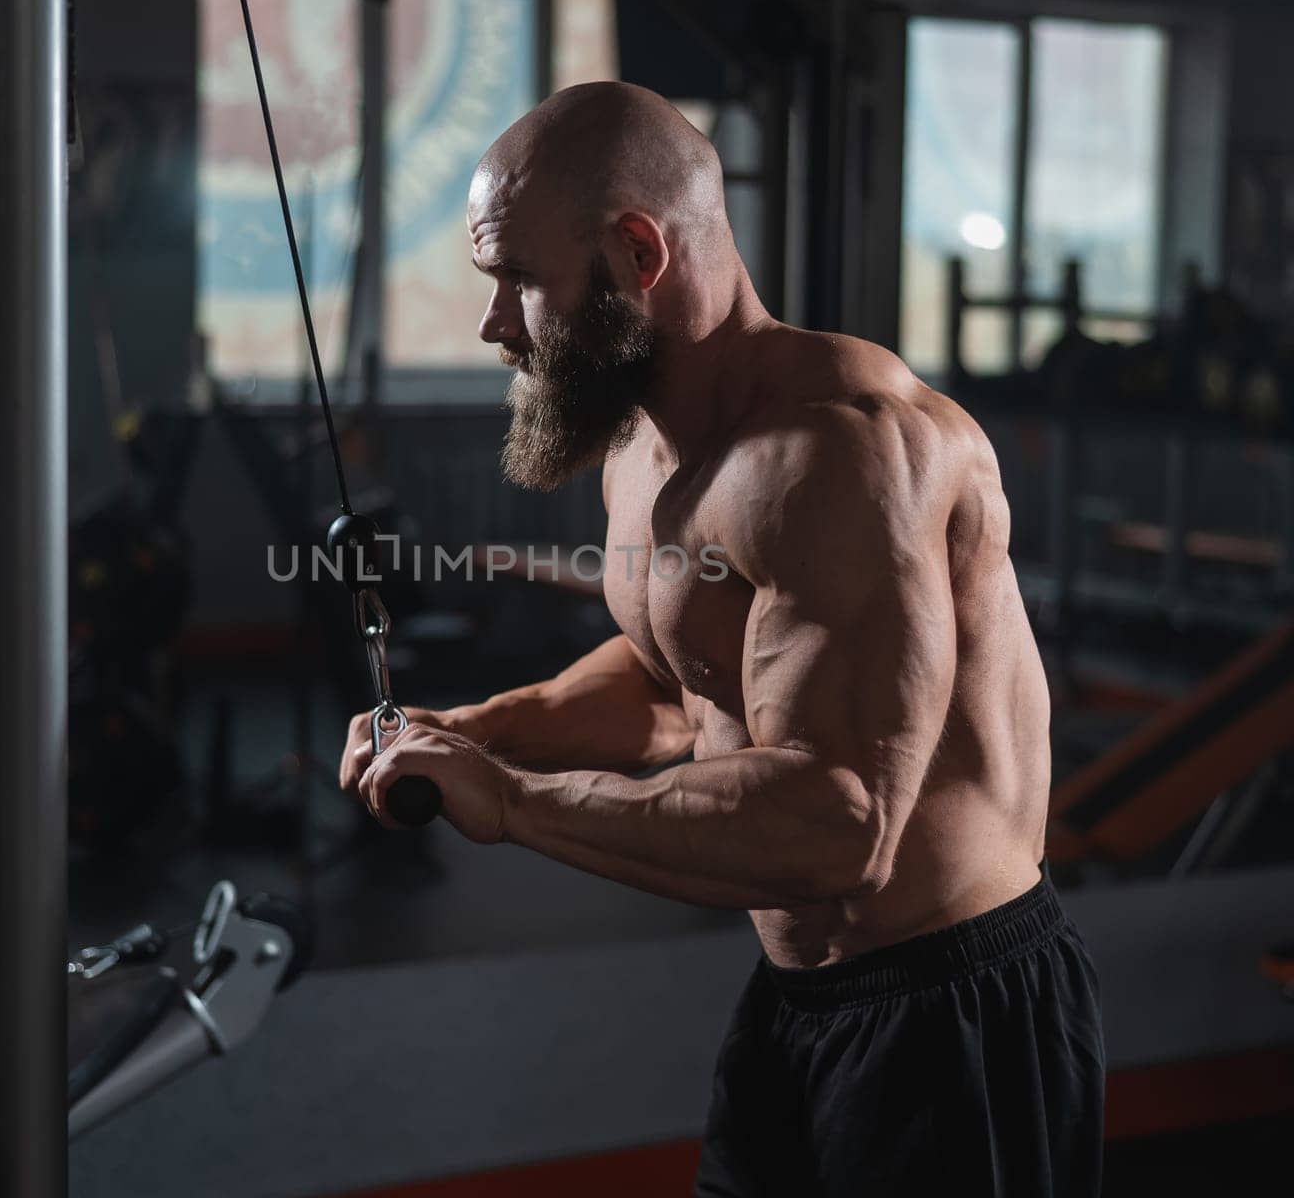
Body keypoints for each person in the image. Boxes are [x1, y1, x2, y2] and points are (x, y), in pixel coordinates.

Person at [338, 82, 1104, 1196]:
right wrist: (477, 731)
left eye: (516, 281)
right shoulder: (642, 450)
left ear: (638, 251)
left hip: (949, 1012)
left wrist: (508, 804)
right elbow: (671, 679)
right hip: (797, 999)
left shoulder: (838, 452)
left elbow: (836, 821)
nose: (493, 323)